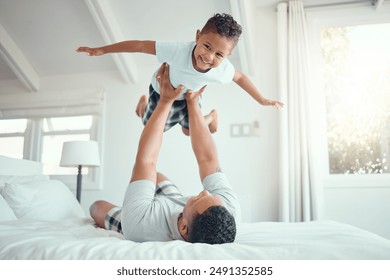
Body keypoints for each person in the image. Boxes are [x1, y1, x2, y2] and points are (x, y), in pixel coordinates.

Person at [89, 63, 240, 244]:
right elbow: (208, 159)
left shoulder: (142, 225)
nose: (205, 191)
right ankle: (143, 195)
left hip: (145, 215)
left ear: (184, 227)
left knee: (95, 207)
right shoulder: (228, 211)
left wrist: (165, 101)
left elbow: (146, 161)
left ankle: (137, 201)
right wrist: (192, 102)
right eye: (209, 195)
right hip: (174, 201)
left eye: (199, 198)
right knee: (155, 176)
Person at [77, 13, 284, 136]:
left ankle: (212, 116)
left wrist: (261, 99)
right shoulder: (177, 51)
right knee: (151, 127)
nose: (209, 56)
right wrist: (102, 50)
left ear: (227, 55)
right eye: (207, 46)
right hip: (162, 92)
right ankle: (143, 104)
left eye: (219, 54)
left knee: (188, 132)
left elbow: (239, 77)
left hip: (190, 96)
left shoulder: (222, 69)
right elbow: (140, 45)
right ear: (197, 37)